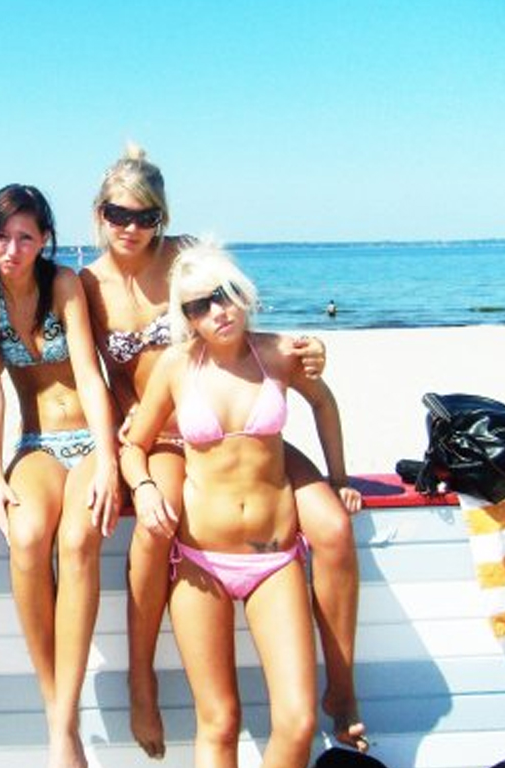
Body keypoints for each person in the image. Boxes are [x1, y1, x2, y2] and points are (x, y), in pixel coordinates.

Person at [79, 144, 367, 758]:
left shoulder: (188, 259)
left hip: (244, 432)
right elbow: (81, 372)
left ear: (162, 216)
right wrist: (122, 464)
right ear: (99, 214)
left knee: (333, 527)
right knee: (153, 531)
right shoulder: (86, 284)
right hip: (164, 435)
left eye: (145, 216)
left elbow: (245, 318)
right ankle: (141, 682)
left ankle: (343, 690)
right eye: (118, 214)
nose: (131, 227)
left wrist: (311, 352)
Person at [120, 240, 361, 768]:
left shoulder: (279, 354)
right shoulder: (177, 367)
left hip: (274, 561)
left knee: (297, 723)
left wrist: (338, 477)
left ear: (244, 293)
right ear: (186, 317)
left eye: (224, 295)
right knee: (219, 723)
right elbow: (134, 446)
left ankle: (343, 694)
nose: (218, 311)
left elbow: (324, 403)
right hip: (200, 563)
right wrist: (144, 488)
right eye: (199, 306)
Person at [0, 184, 120, 768]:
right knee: (27, 538)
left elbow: (90, 375)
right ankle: (60, 715)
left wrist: (109, 460)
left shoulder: (64, 285)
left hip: (89, 438)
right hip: (35, 442)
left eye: (25, 237)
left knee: (78, 539)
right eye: (1, 237)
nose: (12, 249)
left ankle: (62, 722)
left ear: (45, 239)